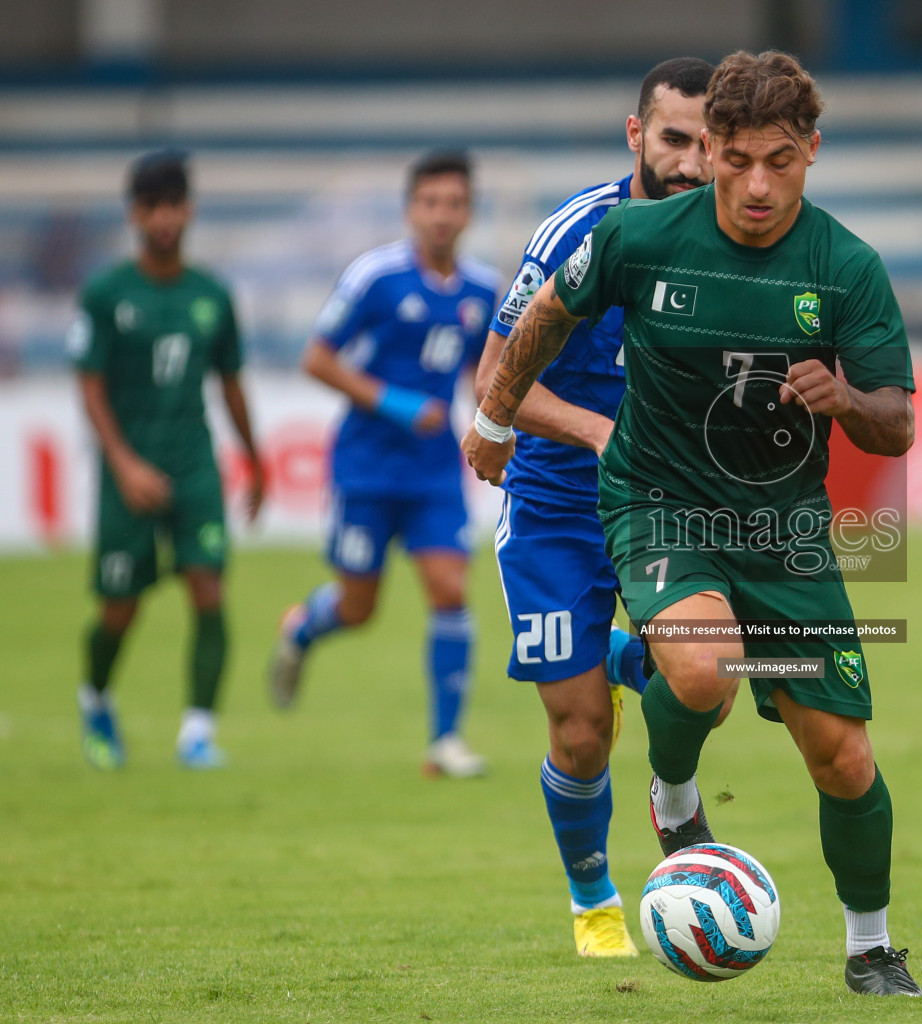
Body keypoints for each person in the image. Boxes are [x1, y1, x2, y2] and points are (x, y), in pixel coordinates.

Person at [463, 51, 922, 996]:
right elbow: (544, 317)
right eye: (740, 158)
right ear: (711, 149)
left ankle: (871, 950)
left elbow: (898, 425)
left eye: (783, 161)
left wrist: (842, 397)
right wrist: (491, 413)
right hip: (659, 502)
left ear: (813, 153)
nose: (758, 185)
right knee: (704, 668)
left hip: (785, 530)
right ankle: (674, 798)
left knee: (843, 756)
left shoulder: (847, 267)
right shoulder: (638, 236)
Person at [474, 56, 731, 959]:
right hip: (553, 501)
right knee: (581, 732)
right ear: (636, 136)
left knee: (710, 683)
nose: (693, 164)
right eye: (673, 140)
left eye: (710, 144)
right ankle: (595, 901)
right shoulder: (580, 231)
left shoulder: (733, 239)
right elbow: (497, 378)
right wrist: (591, 429)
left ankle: (668, 780)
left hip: (662, 504)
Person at [266, 151, 500, 778]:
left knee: (451, 590)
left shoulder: (482, 289)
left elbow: (485, 376)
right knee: (358, 607)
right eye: (431, 203)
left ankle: (444, 742)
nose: (442, 216)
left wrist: (499, 427)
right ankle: (301, 629)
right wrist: (392, 402)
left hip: (432, 470)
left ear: (469, 212)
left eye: (454, 204)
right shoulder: (375, 277)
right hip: (367, 466)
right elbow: (317, 358)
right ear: (410, 210)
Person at [71, 150, 264, 771]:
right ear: (134, 214)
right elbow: (90, 386)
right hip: (128, 471)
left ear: (190, 209)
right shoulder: (106, 294)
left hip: (193, 463)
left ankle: (198, 733)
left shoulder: (211, 294)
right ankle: (96, 697)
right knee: (119, 608)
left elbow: (231, 383)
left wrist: (255, 458)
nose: (164, 218)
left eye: (173, 205)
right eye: (151, 207)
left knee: (208, 588)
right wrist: (124, 465)